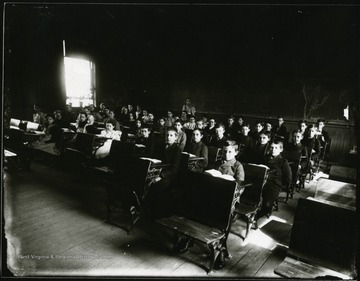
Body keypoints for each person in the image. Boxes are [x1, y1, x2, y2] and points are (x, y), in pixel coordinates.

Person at [143, 127, 182, 218]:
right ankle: (142, 209)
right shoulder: (161, 146)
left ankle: (151, 214)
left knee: (155, 186)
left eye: (171, 135)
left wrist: (161, 176)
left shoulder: (177, 150)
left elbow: (174, 169)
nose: (168, 137)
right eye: (167, 135)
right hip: (158, 171)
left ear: (175, 138)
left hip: (169, 176)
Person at [254, 140, 292, 224]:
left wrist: (280, 186)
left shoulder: (283, 162)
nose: (273, 149)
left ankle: (257, 216)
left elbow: (288, 178)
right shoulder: (265, 158)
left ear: (281, 149)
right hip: (262, 182)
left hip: (274, 185)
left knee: (267, 205)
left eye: (276, 148)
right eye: (271, 147)